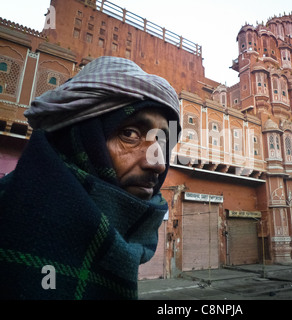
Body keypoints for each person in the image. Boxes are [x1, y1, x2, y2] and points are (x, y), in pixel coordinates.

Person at [0, 56, 180, 299]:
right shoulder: (8, 216)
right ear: (83, 137)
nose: (157, 164)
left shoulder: (116, 241)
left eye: (161, 141)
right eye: (130, 134)